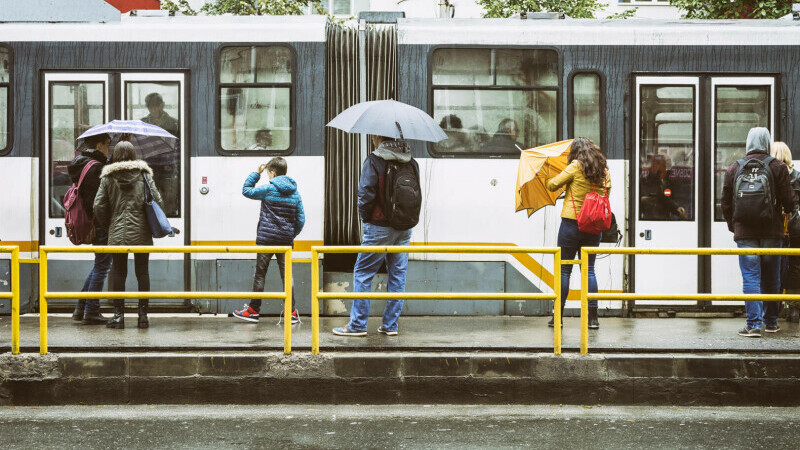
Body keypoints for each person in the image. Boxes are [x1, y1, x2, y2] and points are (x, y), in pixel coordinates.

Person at [333, 134, 419, 337]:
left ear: (379, 136)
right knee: (398, 276)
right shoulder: (411, 161)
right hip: (404, 227)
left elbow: (365, 193)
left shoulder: (374, 160)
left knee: (363, 274)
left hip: (378, 227)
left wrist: (366, 219)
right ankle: (390, 325)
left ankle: (357, 325)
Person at [722, 128, 797, 337]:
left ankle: (753, 325)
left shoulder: (734, 168)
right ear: (767, 142)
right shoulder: (778, 167)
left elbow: (726, 203)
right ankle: (771, 322)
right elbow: (790, 201)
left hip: (745, 234)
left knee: (751, 278)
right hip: (772, 233)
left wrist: (734, 226)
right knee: (771, 277)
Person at [93, 141, 164, 330]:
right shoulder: (144, 175)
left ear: (115, 155)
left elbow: (98, 206)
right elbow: (158, 200)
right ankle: (143, 317)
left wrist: (109, 224)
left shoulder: (108, 177)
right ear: (134, 155)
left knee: (118, 272)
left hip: (117, 231)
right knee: (142, 272)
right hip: (142, 231)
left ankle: (118, 316)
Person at [546, 137, 611, 330]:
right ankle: (593, 318)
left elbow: (552, 185)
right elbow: (605, 195)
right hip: (593, 226)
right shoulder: (604, 170)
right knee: (589, 271)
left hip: (571, 224)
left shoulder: (575, 166)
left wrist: (566, 186)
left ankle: (557, 317)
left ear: (576, 152)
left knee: (564, 269)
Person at [233, 157, 305, 324]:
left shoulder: (268, 189)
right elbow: (301, 219)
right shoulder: (295, 193)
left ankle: (253, 310)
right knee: (287, 277)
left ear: (272, 173)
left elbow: (246, 190)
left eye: (267, 174)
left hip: (266, 240)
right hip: (285, 242)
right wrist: (290, 234)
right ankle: (291, 312)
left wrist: (256, 173)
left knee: (260, 275)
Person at [67, 133, 112, 325]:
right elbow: (98, 202)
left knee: (98, 265)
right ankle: (91, 310)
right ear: (100, 145)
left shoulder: (82, 164)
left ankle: (81, 308)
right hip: (100, 224)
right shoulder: (96, 168)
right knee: (102, 266)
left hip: (92, 222)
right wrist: (103, 223)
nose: (109, 149)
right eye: (108, 145)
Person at [771, 141, 800, 323]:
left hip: (775, 229)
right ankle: (794, 308)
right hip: (796, 228)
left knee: (773, 267)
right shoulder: (797, 176)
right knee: (795, 267)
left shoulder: (770, 175)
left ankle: (774, 306)